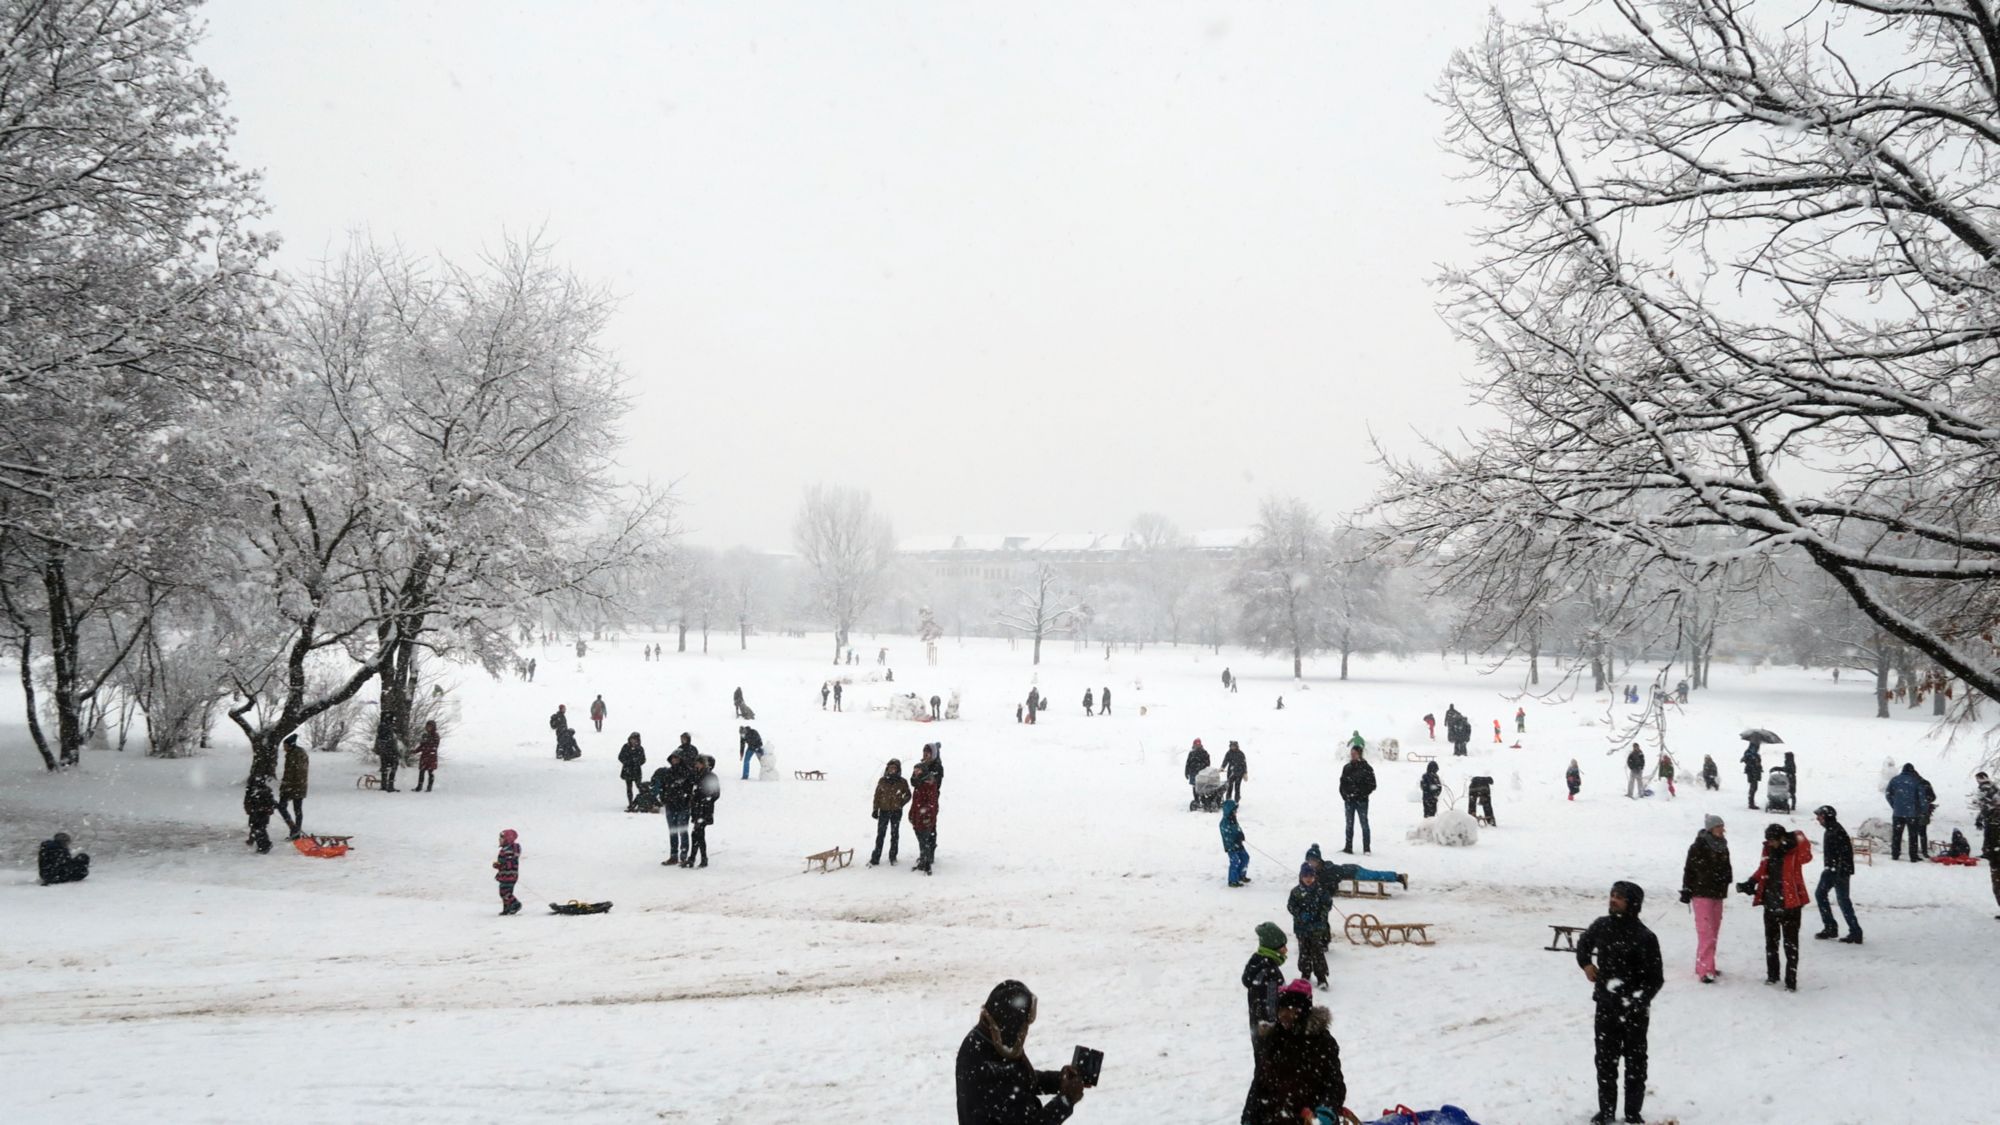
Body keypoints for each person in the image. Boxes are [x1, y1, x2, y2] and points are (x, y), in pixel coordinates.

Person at [1576, 880, 1664, 1125]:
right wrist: (1586, 965)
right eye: (1612, 895)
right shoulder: (1602, 926)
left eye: (1620, 897)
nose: (1613, 900)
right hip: (1606, 1005)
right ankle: (1605, 1112)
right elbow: (1584, 944)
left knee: (1635, 1064)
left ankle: (1633, 1113)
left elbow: (1655, 978)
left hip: (1634, 1011)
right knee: (1605, 1062)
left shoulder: (1645, 937)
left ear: (1632, 903)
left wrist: (1637, 1001)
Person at [953, 980, 1086, 1124]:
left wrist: (1058, 1080)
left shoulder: (984, 1041)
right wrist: (1066, 1100)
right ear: (1010, 1026)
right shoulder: (987, 1066)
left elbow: (1018, 1080)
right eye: (1022, 1026)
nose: (1024, 1032)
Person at [1243, 979, 1345, 1125]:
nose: (1284, 1015)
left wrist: (1325, 1110)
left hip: (1309, 1119)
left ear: (1303, 1010)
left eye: (1290, 1009)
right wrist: (1249, 1117)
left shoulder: (1321, 1042)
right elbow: (1259, 1084)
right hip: (1275, 1119)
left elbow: (1334, 1083)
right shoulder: (1274, 1040)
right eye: (1281, 1009)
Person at [1741, 824, 1813, 991]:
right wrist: (1751, 881)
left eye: (1773, 840)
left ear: (1781, 838)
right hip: (1771, 901)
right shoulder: (1768, 849)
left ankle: (1791, 980)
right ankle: (1772, 975)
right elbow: (1763, 868)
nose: (1770, 843)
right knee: (1771, 941)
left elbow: (1807, 855)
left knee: (1791, 943)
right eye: (1768, 840)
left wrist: (1797, 837)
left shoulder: (1794, 851)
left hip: (1791, 903)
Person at [1679, 815, 1732, 983]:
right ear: (1711, 828)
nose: (1722, 830)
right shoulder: (1698, 847)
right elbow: (1689, 869)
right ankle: (1705, 970)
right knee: (1706, 932)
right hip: (1702, 893)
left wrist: (1726, 879)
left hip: (1718, 893)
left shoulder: (1723, 846)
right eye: (1719, 827)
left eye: (1722, 826)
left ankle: (1707, 964)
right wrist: (1687, 889)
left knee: (1713, 931)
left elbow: (1727, 867)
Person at [1812, 806, 1862, 944]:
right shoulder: (1832, 830)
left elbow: (1845, 853)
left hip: (1837, 871)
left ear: (1826, 817)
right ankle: (1834, 927)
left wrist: (1839, 872)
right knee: (1825, 896)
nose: (1818, 819)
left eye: (1820, 816)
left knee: (1842, 900)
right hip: (1833, 869)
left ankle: (1852, 931)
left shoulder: (1836, 831)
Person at [652, 739, 700, 866]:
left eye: (676, 758)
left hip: (683, 805)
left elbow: (694, 787)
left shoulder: (688, 772)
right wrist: (663, 798)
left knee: (682, 830)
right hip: (670, 805)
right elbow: (662, 787)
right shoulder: (668, 772)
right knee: (673, 831)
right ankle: (673, 855)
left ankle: (683, 855)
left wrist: (688, 798)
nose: (674, 760)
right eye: (673, 758)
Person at [1287, 864, 1333, 990]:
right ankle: (1305, 974)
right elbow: (1291, 906)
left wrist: (1319, 916)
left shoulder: (1320, 891)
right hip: (1301, 929)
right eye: (1305, 876)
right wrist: (1300, 914)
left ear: (1314, 877)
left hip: (1316, 929)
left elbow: (1327, 904)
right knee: (1304, 952)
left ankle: (1321, 977)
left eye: (1311, 876)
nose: (1308, 879)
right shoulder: (1296, 892)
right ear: (1301, 877)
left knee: (1317, 952)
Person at [1242, 922, 1288, 1041]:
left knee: (1261, 1056)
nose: (1286, 950)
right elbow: (1271, 1005)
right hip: (1269, 1032)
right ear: (1273, 947)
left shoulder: (1257, 961)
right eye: (1282, 946)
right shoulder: (1270, 972)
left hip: (1257, 1027)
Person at [870, 758, 911, 866]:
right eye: (890, 767)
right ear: (887, 769)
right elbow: (877, 795)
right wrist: (875, 809)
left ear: (898, 769)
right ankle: (875, 857)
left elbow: (908, 795)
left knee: (894, 834)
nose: (892, 770)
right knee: (880, 835)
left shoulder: (902, 782)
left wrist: (900, 803)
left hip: (896, 812)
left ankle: (893, 857)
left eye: (894, 768)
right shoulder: (882, 780)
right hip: (883, 811)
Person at [910, 743, 944, 874]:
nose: (925, 755)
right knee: (921, 829)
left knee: (930, 828)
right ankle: (925, 855)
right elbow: (915, 780)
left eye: (928, 753)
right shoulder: (922, 764)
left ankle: (929, 856)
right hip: (920, 801)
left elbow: (934, 781)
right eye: (924, 752)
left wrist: (924, 777)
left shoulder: (937, 767)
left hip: (930, 801)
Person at [1338, 747, 1375, 854]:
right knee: (1349, 824)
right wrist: (1345, 795)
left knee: (1364, 824)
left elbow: (1372, 785)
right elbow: (1342, 783)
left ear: (1360, 754)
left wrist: (1360, 794)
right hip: (1349, 801)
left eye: (1355, 753)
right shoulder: (1347, 767)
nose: (1352, 755)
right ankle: (1348, 847)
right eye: (1351, 753)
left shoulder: (1367, 768)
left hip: (1362, 801)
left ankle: (1366, 848)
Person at [1887, 763, 1926, 862]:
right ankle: (1913, 856)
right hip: (1912, 813)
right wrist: (1923, 810)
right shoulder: (1916, 781)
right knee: (1913, 835)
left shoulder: (1894, 780)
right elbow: (1922, 797)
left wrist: (1894, 805)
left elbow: (1888, 794)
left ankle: (1895, 854)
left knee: (1897, 834)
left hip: (1898, 813)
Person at [686, 756, 720, 867]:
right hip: (697, 809)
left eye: (698, 763)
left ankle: (699, 859)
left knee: (698, 834)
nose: (696, 765)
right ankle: (696, 858)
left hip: (704, 810)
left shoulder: (710, 776)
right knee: (696, 834)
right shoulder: (696, 775)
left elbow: (716, 794)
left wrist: (705, 800)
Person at [277, 734, 310, 839]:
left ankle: (295, 831)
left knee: (294, 809)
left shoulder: (296, 755)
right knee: (288, 808)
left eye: (285, 746)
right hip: (293, 785)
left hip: (296, 786)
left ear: (290, 745)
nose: (283, 748)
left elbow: (298, 772)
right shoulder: (293, 754)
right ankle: (295, 830)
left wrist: (289, 785)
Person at [243, 772, 276, 854]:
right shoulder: (265, 790)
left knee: (258, 829)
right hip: (258, 812)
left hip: (259, 813)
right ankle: (262, 844)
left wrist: (267, 808)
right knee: (258, 828)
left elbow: (248, 802)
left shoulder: (253, 791)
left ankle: (264, 845)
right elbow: (271, 802)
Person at [1221, 798, 1251, 886]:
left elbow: (1237, 828)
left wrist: (1241, 834)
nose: (1236, 812)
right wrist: (1235, 839)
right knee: (1235, 861)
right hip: (1231, 846)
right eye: (1234, 811)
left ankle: (1241, 875)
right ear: (1229, 811)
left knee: (1245, 857)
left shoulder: (1233, 819)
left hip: (1238, 844)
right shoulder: (1224, 823)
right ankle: (1232, 880)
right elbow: (1226, 835)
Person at [493, 828, 521, 915]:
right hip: (507, 875)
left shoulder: (508, 851)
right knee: (505, 892)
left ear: (507, 839)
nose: (499, 840)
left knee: (504, 892)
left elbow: (509, 863)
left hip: (508, 875)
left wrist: (499, 865)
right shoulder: (507, 849)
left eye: (501, 839)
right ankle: (507, 908)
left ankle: (515, 904)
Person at [619, 732, 648, 807]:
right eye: (632, 739)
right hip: (627, 770)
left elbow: (643, 759)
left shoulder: (640, 748)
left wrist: (637, 763)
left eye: (635, 739)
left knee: (639, 786)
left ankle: (643, 801)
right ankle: (630, 802)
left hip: (636, 770)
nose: (633, 741)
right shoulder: (625, 747)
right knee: (629, 788)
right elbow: (620, 757)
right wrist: (627, 762)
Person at [1915, 768, 1938, 858]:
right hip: (1924, 811)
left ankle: (1915, 850)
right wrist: (1926, 802)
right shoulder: (1925, 783)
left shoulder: (1911, 784)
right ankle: (1924, 850)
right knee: (1923, 832)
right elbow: (1933, 797)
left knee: (1913, 832)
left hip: (1913, 811)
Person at [1983, 794, 2000, 919]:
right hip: (1995, 856)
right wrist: (1987, 850)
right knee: (1997, 886)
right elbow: (1987, 835)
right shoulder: (1991, 816)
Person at [1184, 739, 1212, 812]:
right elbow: (1188, 763)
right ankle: (1196, 800)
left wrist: (1204, 769)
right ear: (1194, 745)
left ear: (1200, 745)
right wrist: (1186, 772)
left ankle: (1203, 800)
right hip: (1193, 773)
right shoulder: (1191, 753)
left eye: (1198, 744)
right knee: (1195, 788)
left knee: (1202, 788)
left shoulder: (1204, 753)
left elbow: (1208, 763)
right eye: (1196, 744)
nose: (1197, 745)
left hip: (1202, 774)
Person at [373, 721, 401, 793]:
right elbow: (394, 746)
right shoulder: (391, 734)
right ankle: (391, 786)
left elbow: (377, 746)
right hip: (392, 754)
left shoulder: (379, 735)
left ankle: (383, 785)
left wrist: (379, 752)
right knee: (393, 769)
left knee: (384, 769)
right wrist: (398, 754)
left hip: (383, 754)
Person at [412, 721, 439, 792]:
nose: (428, 728)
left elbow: (434, 746)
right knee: (421, 771)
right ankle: (419, 786)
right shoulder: (425, 735)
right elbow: (422, 746)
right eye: (427, 726)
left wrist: (426, 749)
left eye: (430, 726)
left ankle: (429, 787)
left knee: (430, 772)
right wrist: (415, 751)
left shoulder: (436, 736)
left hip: (431, 757)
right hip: (424, 756)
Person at [1741, 741, 1763, 810]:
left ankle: (1751, 802)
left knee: (1754, 787)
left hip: (1754, 772)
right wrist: (1754, 761)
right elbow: (1744, 760)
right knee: (1753, 787)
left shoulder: (1753, 753)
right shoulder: (1750, 753)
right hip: (1752, 772)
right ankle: (1751, 803)